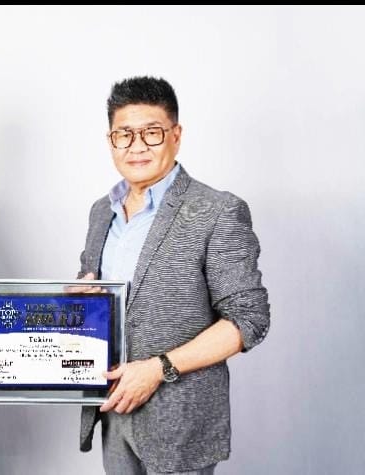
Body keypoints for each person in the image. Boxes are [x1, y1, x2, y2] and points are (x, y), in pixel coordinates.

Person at [76, 76, 270, 474]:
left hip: (180, 424)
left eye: (151, 133)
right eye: (124, 135)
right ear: (110, 141)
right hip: (113, 412)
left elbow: (249, 320)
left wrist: (157, 369)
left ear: (175, 136)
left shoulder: (217, 211)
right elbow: (98, 297)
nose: (137, 146)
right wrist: (80, 299)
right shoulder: (101, 213)